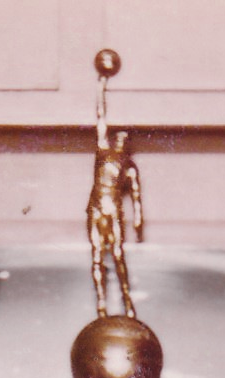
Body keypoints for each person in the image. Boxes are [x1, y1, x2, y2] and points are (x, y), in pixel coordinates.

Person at [86, 58, 143, 319]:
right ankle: (101, 306)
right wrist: (101, 84)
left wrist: (138, 224)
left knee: (117, 255)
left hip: (113, 208)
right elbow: (100, 117)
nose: (120, 140)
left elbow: (137, 199)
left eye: (124, 139)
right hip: (97, 206)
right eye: (118, 137)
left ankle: (126, 301)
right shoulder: (103, 151)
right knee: (97, 256)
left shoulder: (129, 167)